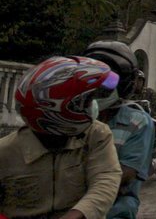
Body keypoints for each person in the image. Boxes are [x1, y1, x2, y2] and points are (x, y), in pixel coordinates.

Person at [0, 56, 123, 219]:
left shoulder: (97, 134)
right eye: (85, 102)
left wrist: (77, 214)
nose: (92, 106)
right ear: (59, 110)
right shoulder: (6, 152)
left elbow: (106, 179)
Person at [84, 41, 155, 219]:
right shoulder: (77, 115)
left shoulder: (137, 122)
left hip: (114, 209)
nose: (99, 86)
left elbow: (126, 174)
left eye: (108, 80)